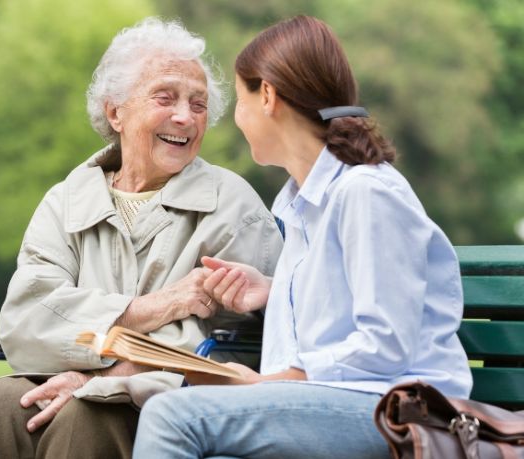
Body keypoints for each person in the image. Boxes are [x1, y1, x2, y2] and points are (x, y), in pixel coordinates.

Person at [0, 18, 283, 459]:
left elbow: (239, 344)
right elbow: (26, 320)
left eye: (198, 104)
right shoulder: (66, 201)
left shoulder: (233, 206)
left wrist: (105, 378)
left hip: (168, 398)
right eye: (165, 97)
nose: (185, 117)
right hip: (54, 378)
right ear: (115, 111)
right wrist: (158, 306)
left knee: (88, 417)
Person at [133, 15, 472, 459]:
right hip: (344, 403)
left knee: (172, 415)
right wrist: (273, 291)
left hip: (393, 410)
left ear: (268, 96)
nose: (235, 119)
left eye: (240, 100)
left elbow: (385, 343)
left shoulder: (366, 192)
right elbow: (352, 302)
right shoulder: (304, 205)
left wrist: (275, 382)